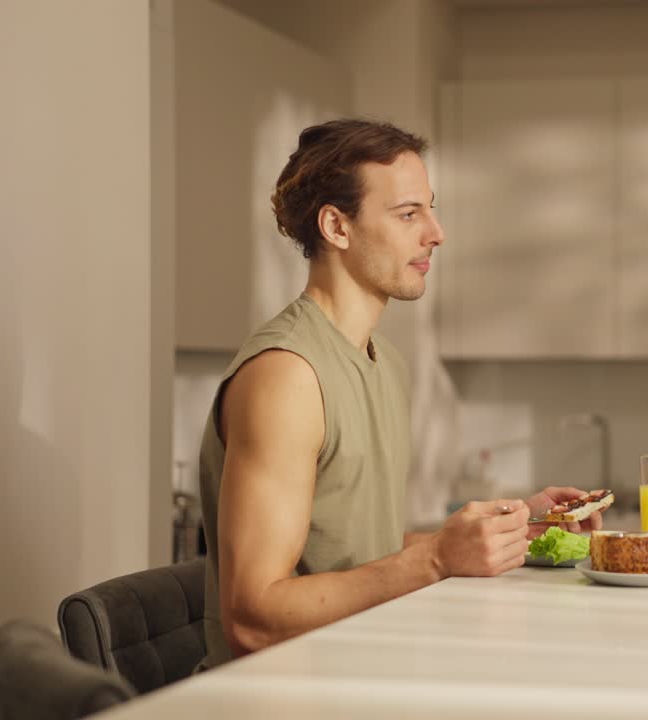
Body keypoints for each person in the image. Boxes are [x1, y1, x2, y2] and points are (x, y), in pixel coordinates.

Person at [195, 119, 603, 670]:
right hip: (276, 696)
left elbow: (362, 554)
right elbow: (254, 620)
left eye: (430, 210)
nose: (436, 233)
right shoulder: (287, 376)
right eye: (409, 214)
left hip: (363, 673)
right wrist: (434, 559)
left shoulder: (384, 363)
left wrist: (512, 530)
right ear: (337, 227)